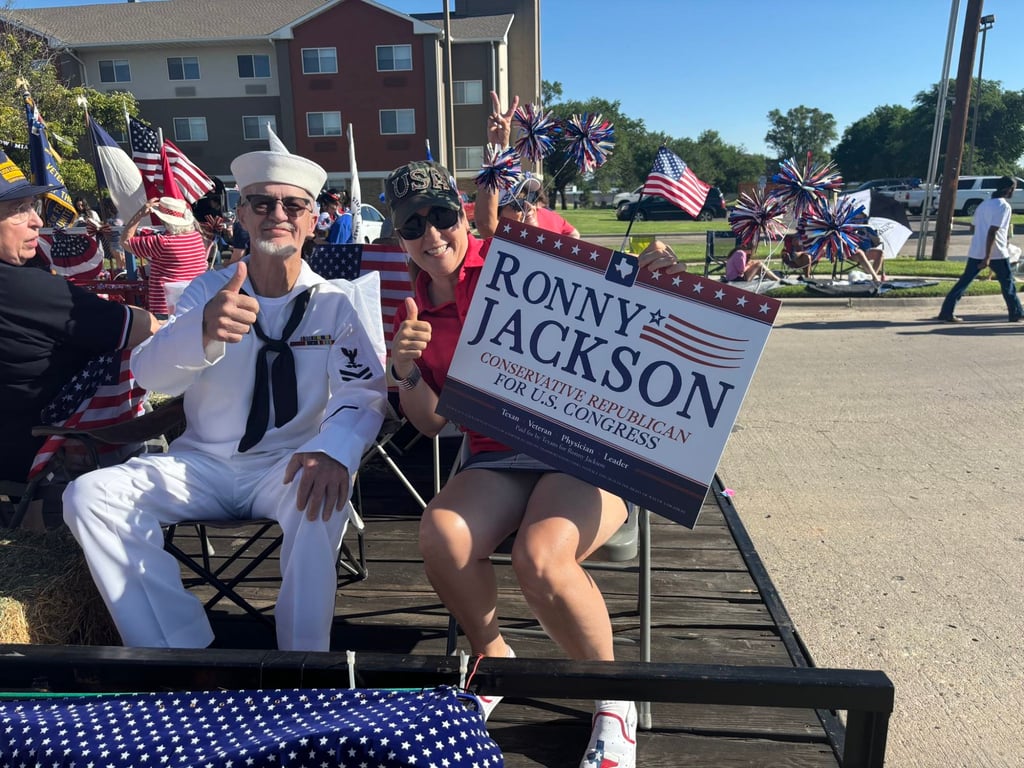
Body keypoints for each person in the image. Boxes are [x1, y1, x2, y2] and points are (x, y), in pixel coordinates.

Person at [388, 127, 676, 768]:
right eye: (414, 225)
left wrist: (655, 274)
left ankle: (612, 700)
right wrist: (405, 372)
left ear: (461, 212)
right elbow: (433, 425)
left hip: (579, 450)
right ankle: (494, 658)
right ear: (399, 236)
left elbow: (618, 302)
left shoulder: (518, 258)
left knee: (540, 558)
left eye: (441, 215)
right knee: (440, 533)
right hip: (497, 455)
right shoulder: (412, 311)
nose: (431, 233)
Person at [62, 149, 388, 651]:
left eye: (293, 207)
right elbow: (151, 374)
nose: (277, 215)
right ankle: (180, 654)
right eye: (261, 203)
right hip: (202, 463)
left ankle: (303, 666)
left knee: (322, 497)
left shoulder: (335, 303)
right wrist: (202, 332)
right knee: (88, 497)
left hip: (287, 466)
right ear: (240, 215)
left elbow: (361, 392)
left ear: (311, 221)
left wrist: (334, 450)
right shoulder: (206, 292)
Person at [0, 150, 159, 483]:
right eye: (18, 211)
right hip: (38, 460)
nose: (37, 221)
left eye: (31, 207)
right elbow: (144, 327)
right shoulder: (24, 287)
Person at [938, 175, 1023, 323]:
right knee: (1007, 283)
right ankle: (1015, 313)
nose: (1013, 191)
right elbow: (992, 231)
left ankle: (946, 311)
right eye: (1013, 189)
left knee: (964, 281)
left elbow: (974, 227)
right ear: (1008, 189)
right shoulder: (1003, 206)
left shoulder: (984, 205)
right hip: (996, 253)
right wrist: (987, 257)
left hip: (977, 250)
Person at [120, 196, 209, 316]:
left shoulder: (162, 242)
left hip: (166, 306)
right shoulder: (196, 238)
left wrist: (139, 215)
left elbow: (125, 241)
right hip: (193, 302)